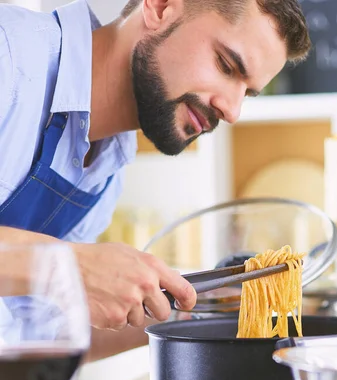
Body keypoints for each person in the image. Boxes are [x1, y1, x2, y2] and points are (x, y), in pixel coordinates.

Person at [0, 0, 310, 359]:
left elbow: (38, 328)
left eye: (247, 93)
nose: (233, 111)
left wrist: (193, 304)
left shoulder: (107, 169)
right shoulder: (9, 55)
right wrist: (71, 266)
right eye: (226, 65)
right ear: (162, 8)